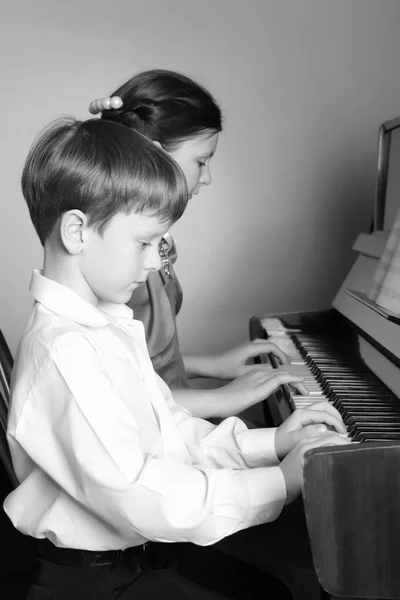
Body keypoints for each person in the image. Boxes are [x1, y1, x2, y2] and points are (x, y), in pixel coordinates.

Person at [4, 115, 349, 599]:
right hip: (92, 580)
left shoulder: (109, 324)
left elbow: (171, 433)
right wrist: (279, 483)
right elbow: (141, 494)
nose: (152, 263)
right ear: (77, 232)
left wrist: (270, 444)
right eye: (144, 242)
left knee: (271, 588)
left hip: (136, 553)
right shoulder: (65, 353)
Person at [89, 70, 309, 423]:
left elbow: (140, 359)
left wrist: (213, 365)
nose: (207, 177)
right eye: (202, 161)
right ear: (155, 156)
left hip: (170, 413)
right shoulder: (124, 265)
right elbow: (118, 398)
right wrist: (224, 399)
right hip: (153, 432)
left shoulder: (147, 246)